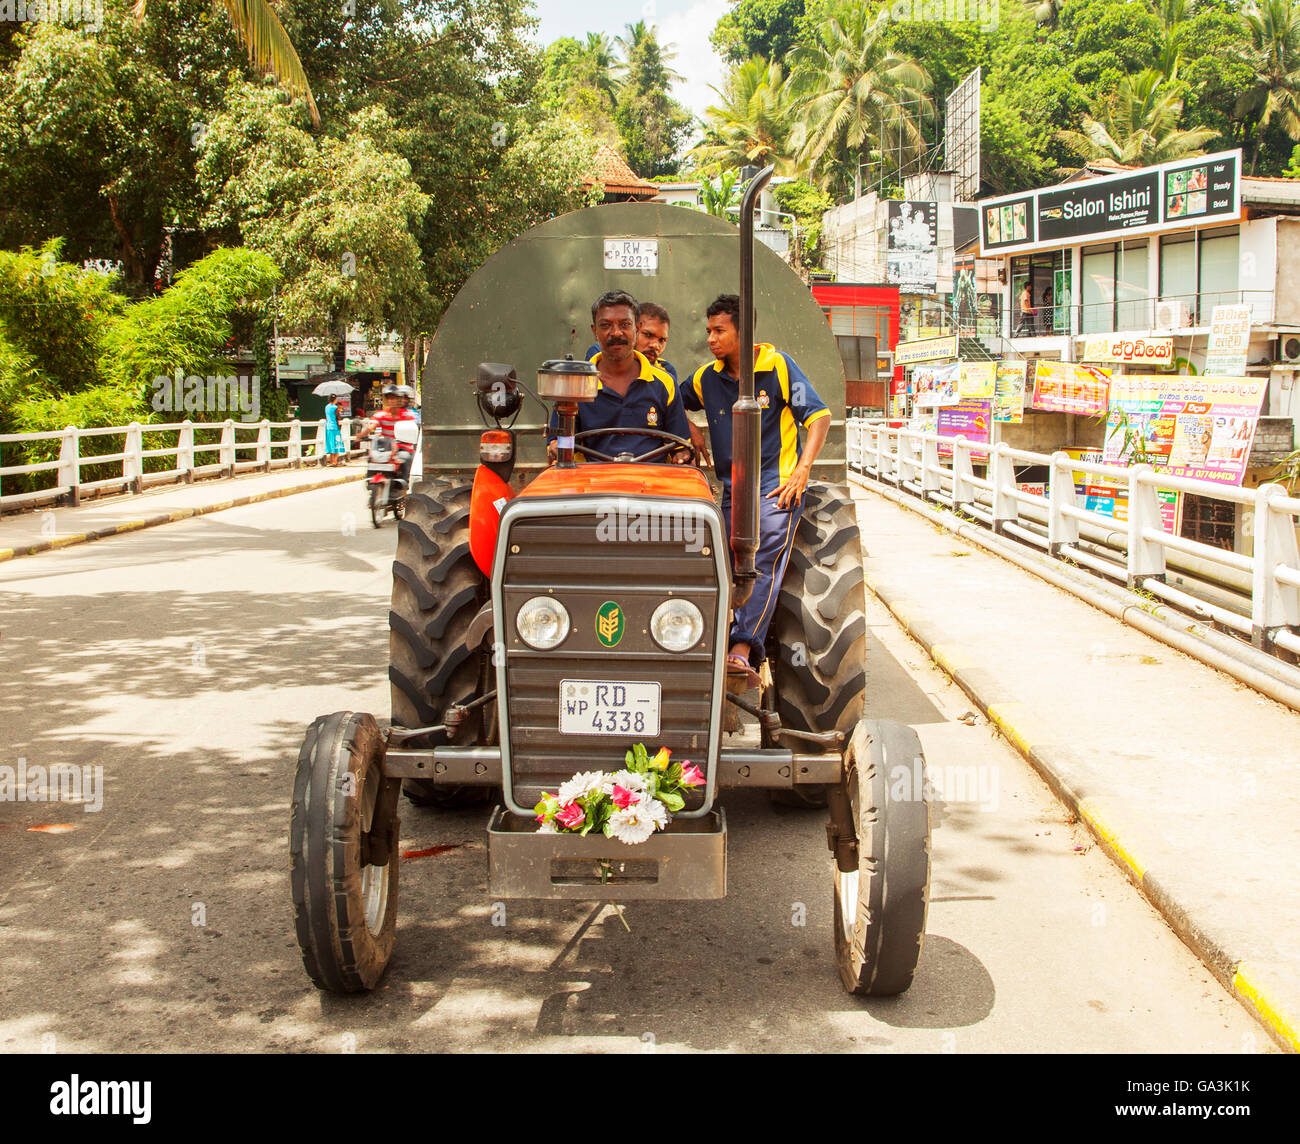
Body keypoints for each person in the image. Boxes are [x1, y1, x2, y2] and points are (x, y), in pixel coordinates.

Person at [684, 294, 830, 684]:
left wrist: (802, 471)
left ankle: (742, 647)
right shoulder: (705, 378)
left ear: (743, 332)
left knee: (759, 555)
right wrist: (690, 426)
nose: (711, 338)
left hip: (773, 489)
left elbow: (819, 417)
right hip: (732, 491)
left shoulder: (779, 367)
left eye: (719, 330)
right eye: (708, 331)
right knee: (716, 562)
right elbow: (669, 400)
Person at [548, 290, 692, 464]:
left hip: (653, 485)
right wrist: (557, 447)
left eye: (625, 324)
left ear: (636, 328)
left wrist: (683, 456)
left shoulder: (665, 383)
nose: (616, 333)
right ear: (594, 331)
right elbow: (558, 444)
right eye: (605, 325)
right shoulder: (575, 385)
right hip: (594, 485)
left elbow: (680, 446)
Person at [358, 384, 418, 486]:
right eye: (389, 398)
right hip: (387, 448)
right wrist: (360, 435)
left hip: (402, 448)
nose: (391, 401)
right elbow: (372, 426)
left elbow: (414, 429)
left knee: (406, 457)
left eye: (393, 398)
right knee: (371, 457)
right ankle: (370, 482)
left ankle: (404, 486)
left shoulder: (407, 415)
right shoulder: (381, 415)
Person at [323, 395, 346, 466]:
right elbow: (338, 417)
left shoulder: (326, 407)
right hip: (335, 427)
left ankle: (331, 461)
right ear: (335, 399)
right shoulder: (335, 407)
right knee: (337, 444)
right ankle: (335, 462)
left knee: (330, 444)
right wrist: (339, 410)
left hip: (328, 427)